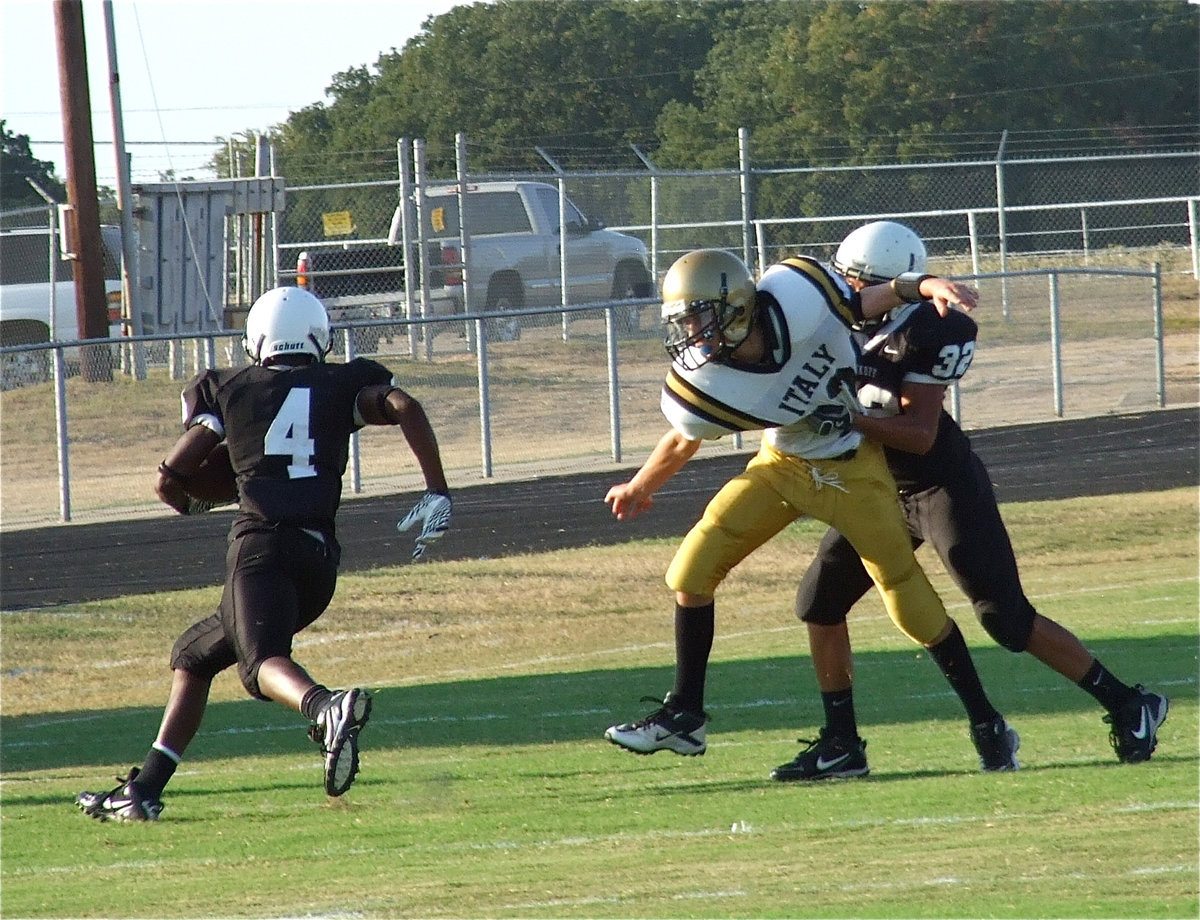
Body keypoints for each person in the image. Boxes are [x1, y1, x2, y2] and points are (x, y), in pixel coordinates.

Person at [773, 221, 1168, 781]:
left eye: (859, 281)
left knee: (1006, 619)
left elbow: (920, 433)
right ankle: (842, 743)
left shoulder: (926, 329)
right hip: (876, 488)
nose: (850, 291)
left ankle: (1130, 704)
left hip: (938, 484)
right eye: (846, 279)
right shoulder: (840, 320)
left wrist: (848, 418)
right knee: (819, 601)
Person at [602, 247, 1021, 775]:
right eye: (682, 322)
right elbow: (684, 438)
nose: (691, 334)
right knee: (691, 569)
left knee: (907, 601)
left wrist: (923, 284)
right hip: (782, 464)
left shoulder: (797, 294)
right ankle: (686, 715)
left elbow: (864, 299)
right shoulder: (703, 382)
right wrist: (642, 484)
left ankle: (987, 722)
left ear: (736, 308)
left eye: (699, 318)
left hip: (852, 470)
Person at [75, 287, 453, 821]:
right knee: (194, 656)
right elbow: (405, 406)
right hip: (319, 562)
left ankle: (325, 706)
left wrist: (204, 467)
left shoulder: (227, 388)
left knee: (258, 667)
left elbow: (171, 480)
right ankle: (143, 791)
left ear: (256, 340)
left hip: (261, 550)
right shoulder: (343, 381)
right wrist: (437, 489)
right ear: (319, 336)